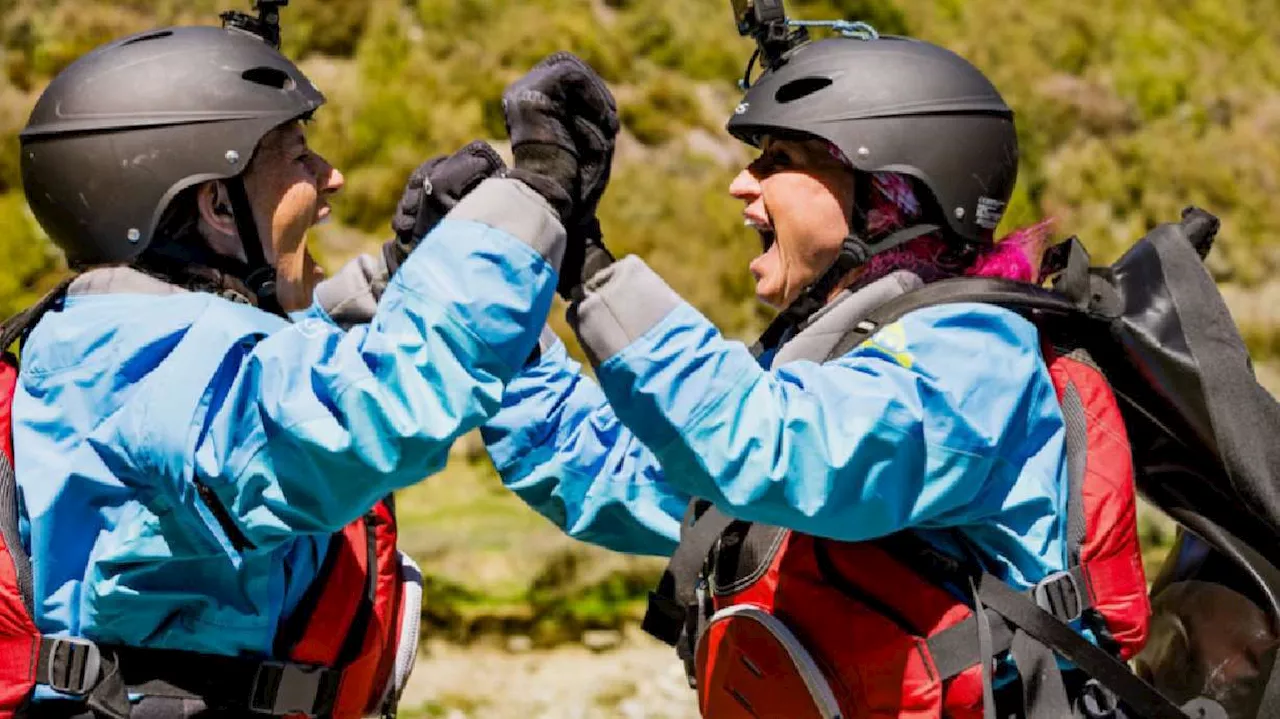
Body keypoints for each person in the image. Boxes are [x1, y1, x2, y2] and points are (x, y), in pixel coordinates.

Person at [482, 28, 1154, 718]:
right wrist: (510, 280)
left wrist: (596, 274)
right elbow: (614, 470)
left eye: (780, 159)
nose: (741, 182)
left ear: (889, 190)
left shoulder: (973, 360)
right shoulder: (833, 364)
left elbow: (775, 450)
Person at [5, 17, 617, 718]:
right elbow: (368, 417)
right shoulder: (152, 358)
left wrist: (404, 272)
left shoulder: (118, 341)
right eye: (298, 157)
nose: (332, 177)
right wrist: (533, 201)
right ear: (215, 204)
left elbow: (288, 368)